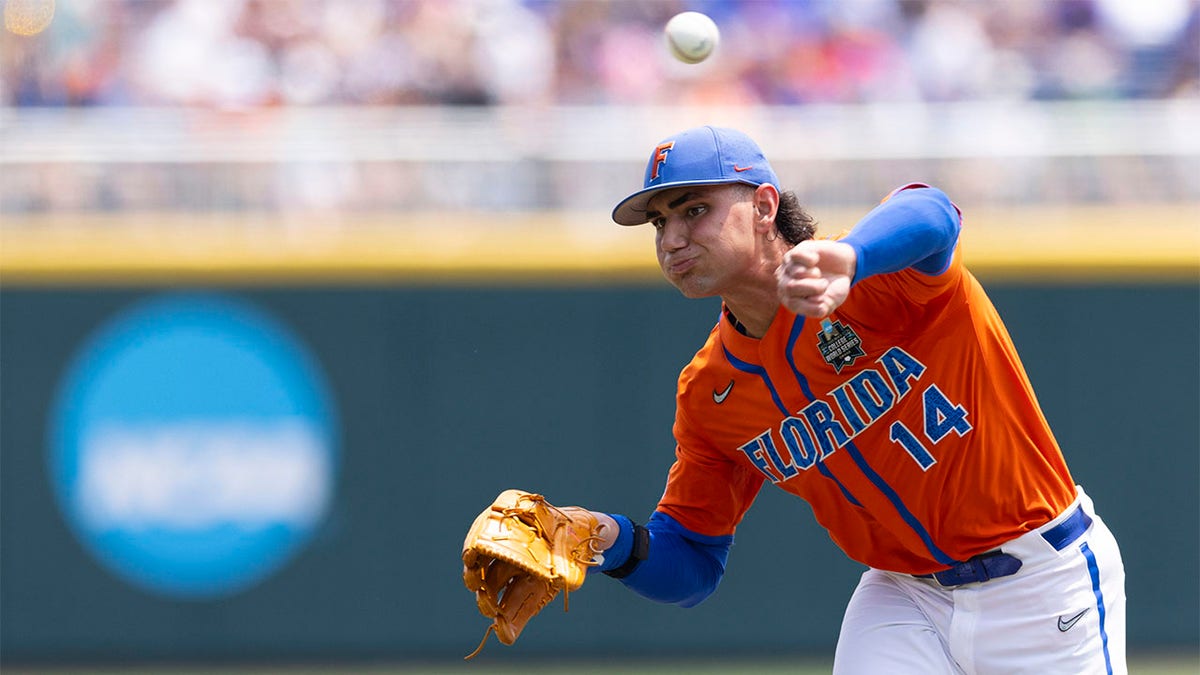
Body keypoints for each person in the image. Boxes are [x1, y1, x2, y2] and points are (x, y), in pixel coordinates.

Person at [579, 125, 1127, 674]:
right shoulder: (709, 392)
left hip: (1043, 577)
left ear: (764, 206)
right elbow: (692, 562)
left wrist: (850, 258)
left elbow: (933, 210)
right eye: (659, 222)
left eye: (693, 210)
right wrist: (606, 540)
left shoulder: (882, 273)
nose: (671, 238)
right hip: (905, 598)